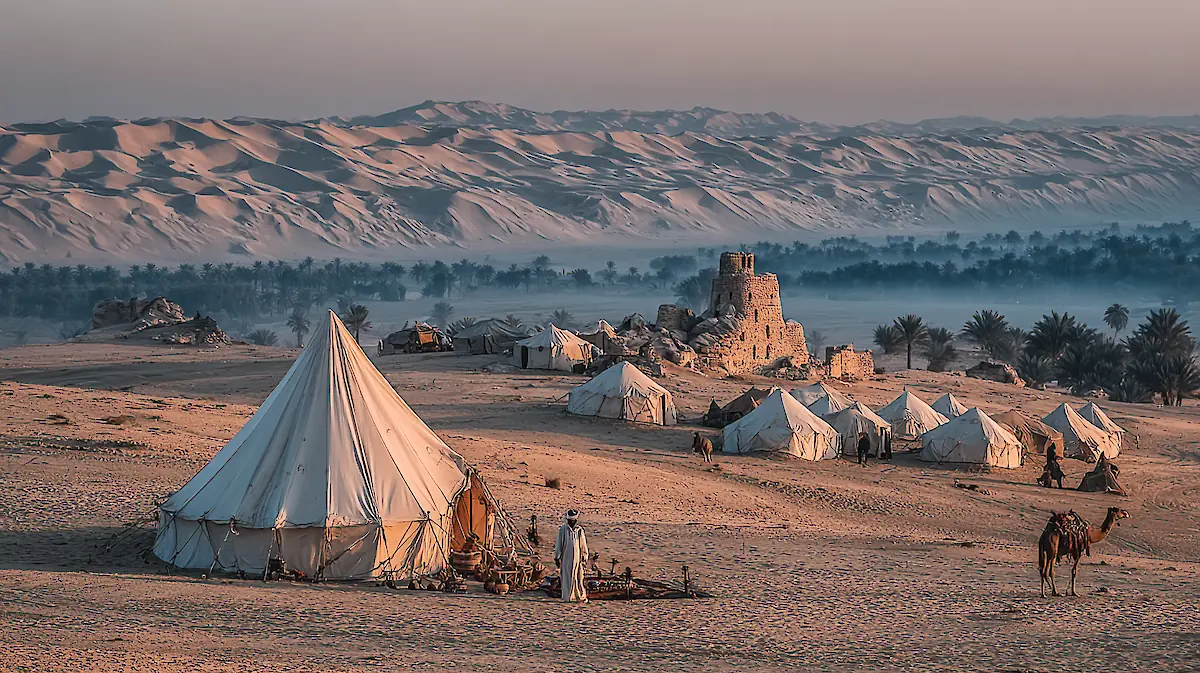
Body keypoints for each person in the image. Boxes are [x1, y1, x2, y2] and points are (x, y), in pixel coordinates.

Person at [554, 509, 589, 602]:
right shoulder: (563, 529)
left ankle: (579, 596)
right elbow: (559, 544)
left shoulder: (579, 530)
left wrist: (584, 556)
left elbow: (583, 544)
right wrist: (557, 557)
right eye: (569, 521)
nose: (571, 522)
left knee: (578, 577)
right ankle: (568, 597)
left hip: (577, 559)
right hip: (566, 559)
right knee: (567, 577)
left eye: (572, 521)